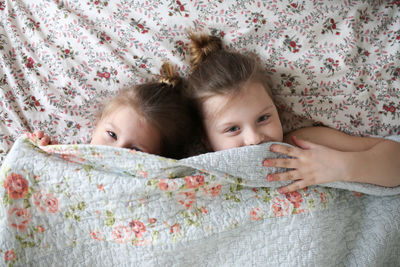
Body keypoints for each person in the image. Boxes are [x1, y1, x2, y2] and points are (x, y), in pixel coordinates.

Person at [186, 32, 400, 193]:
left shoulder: (301, 145)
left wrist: (339, 166)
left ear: (277, 110)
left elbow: (395, 160)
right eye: (232, 129)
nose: (254, 139)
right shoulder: (201, 171)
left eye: (263, 118)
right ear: (206, 139)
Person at [33, 62, 198, 159]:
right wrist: (48, 156)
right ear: (98, 122)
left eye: (135, 150)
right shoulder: (66, 157)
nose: (115, 150)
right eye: (112, 135)